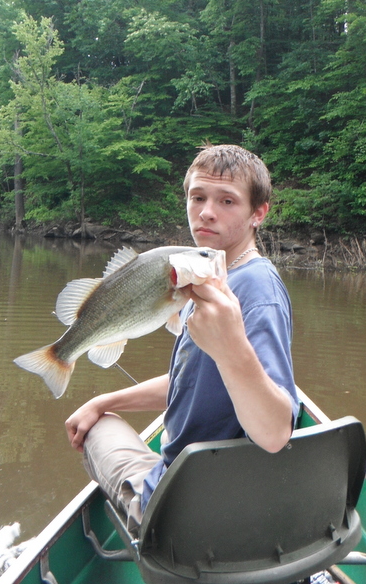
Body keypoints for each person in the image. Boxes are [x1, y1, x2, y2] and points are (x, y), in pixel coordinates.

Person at [65, 144, 299, 532]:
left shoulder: (256, 289)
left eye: (227, 201)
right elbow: (195, 381)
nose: (207, 211)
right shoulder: (210, 278)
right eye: (198, 197)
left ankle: (142, 515)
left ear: (259, 213)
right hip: (221, 495)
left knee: (97, 431)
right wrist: (105, 399)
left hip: (182, 512)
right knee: (100, 412)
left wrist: (231, 347)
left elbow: (276, 433)